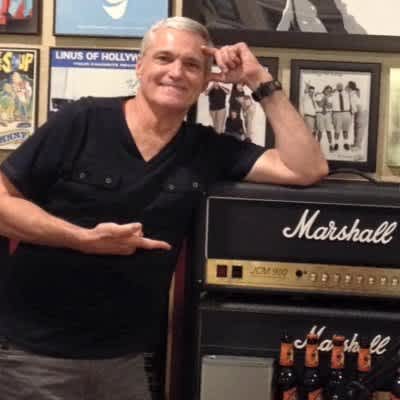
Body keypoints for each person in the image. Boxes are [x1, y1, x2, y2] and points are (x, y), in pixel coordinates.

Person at [0, 16, 328, 400]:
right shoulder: (82, 120)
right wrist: (83, 239)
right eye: (164, 58)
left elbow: (306, 167)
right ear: (140, 67)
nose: (176, 72)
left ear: (206, 82)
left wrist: (260, 80)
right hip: (33, 356)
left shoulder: (206, 148)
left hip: (127, 360)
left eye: (192, 65)